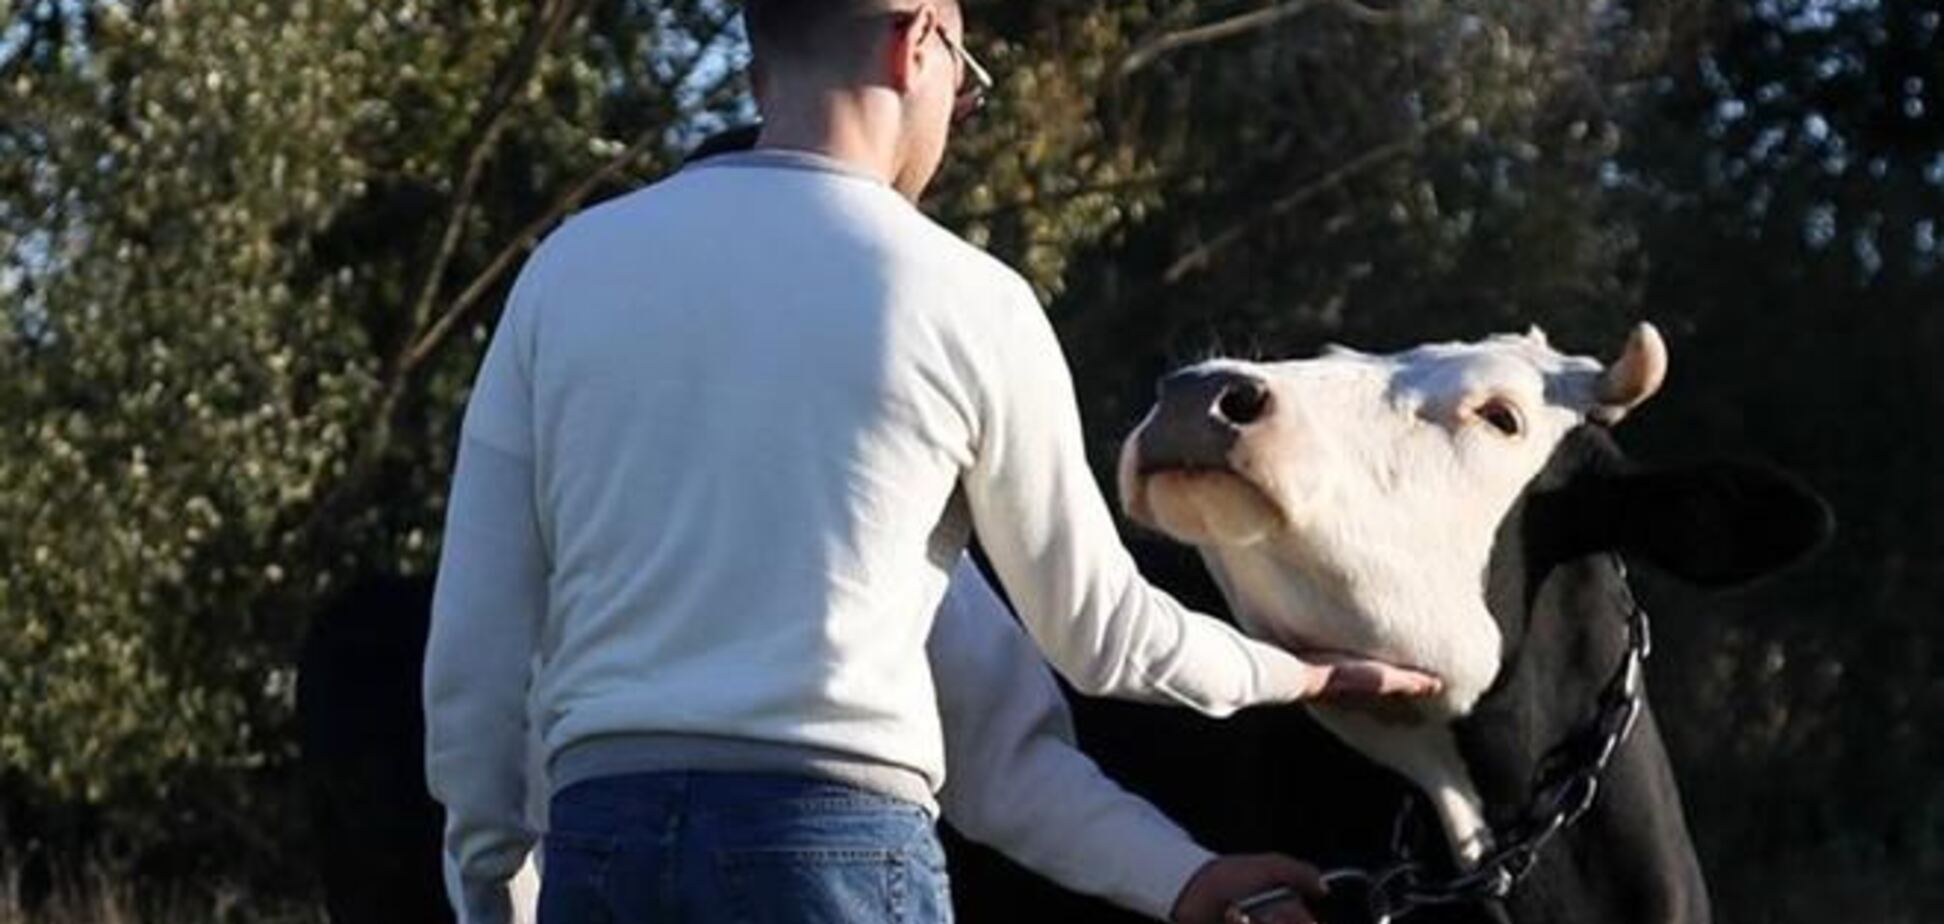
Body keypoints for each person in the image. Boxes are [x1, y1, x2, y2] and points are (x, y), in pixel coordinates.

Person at [424, 2, 1440, 922]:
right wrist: (1296, 673)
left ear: (757, 73)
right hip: (835, 852)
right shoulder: (966, 300)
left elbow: (475, 655)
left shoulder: (565, 275)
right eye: (968, 78)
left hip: (606, 843)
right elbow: (1103, 638)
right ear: (922, 43)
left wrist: (491, 883)